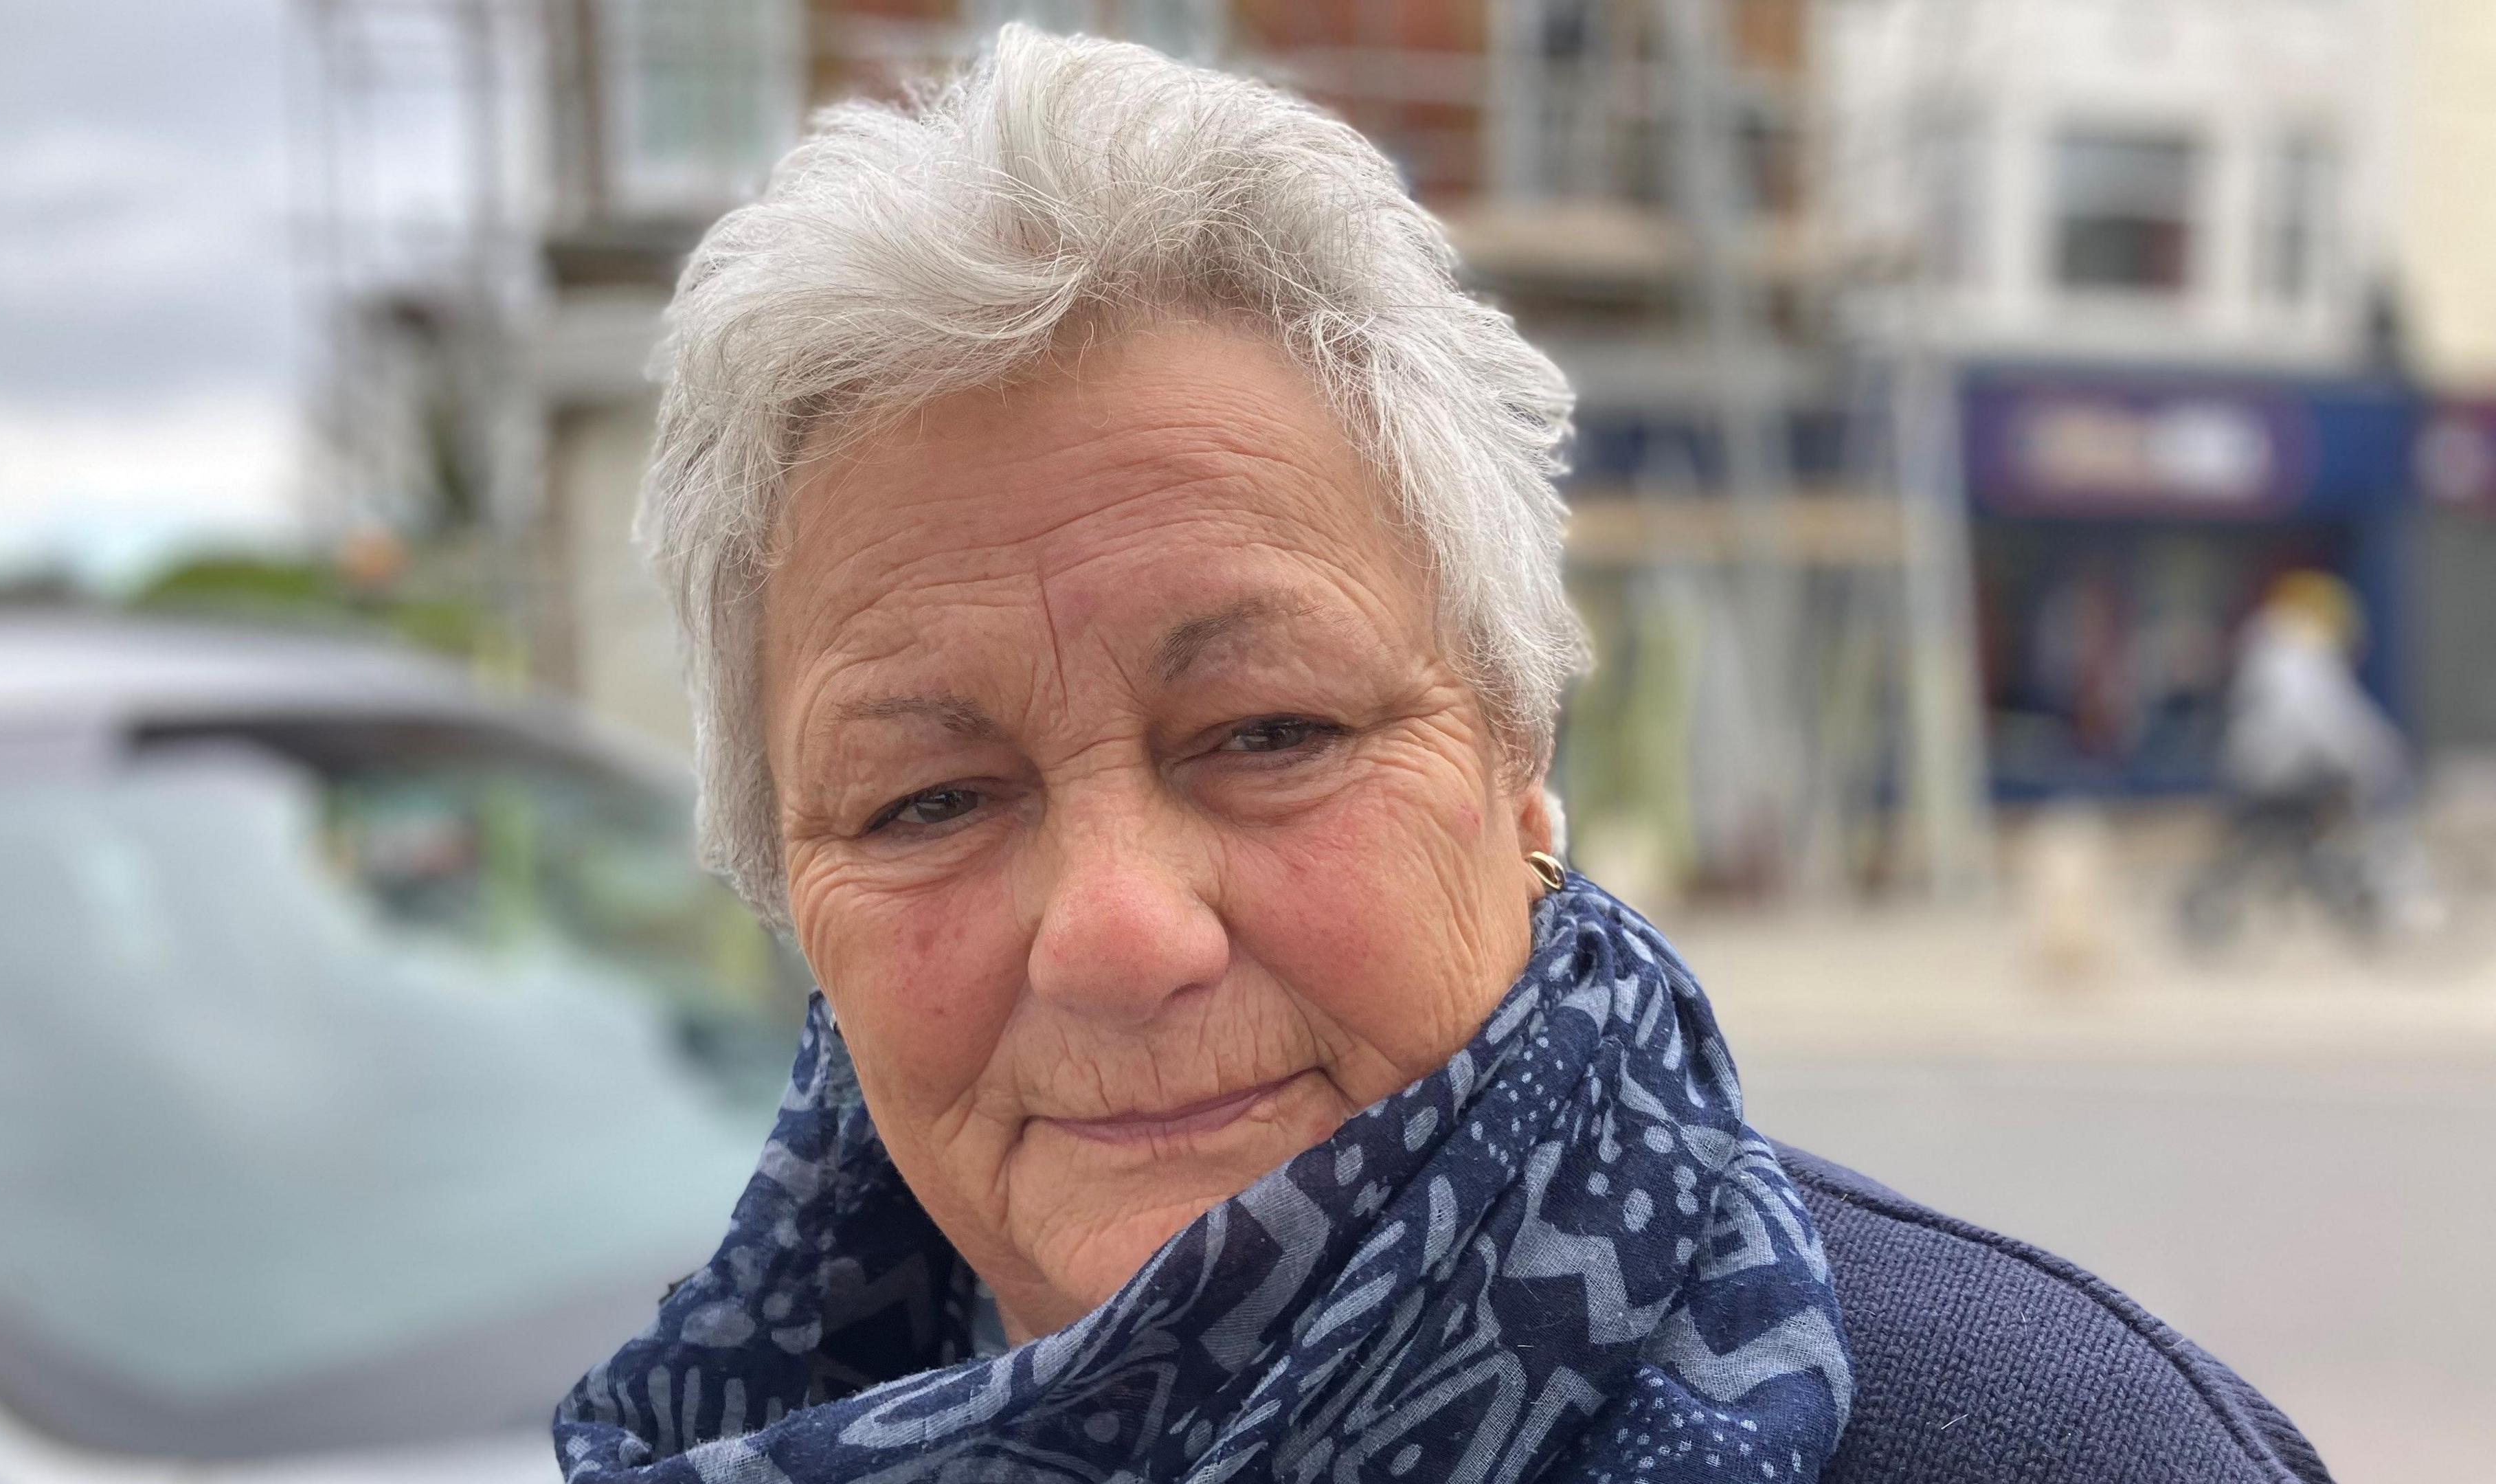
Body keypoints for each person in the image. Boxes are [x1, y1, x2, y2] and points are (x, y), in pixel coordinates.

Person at [555, 29, 2328, 1484]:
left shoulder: (2060, 1452)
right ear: (793, 877)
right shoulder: (710, 1424)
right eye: (930, 800)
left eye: (1269, 732)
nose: (1117, 931)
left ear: (1517, 754)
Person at [2181, 570, 2419, 945]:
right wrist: (2375, 753)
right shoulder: (2296, 658)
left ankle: (2323, 879)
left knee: (2304, 831)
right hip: (2277, 771)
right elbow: (2329, 716)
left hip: (2267, 767)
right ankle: (2337, 886)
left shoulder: (2275, 651)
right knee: (2346, 808)